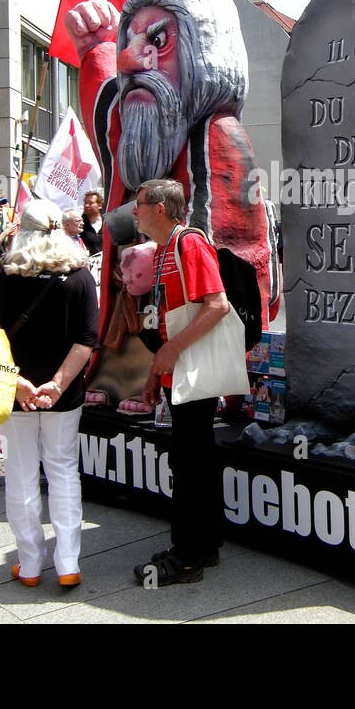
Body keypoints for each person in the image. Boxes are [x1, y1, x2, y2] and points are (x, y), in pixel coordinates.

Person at [66, 0, 279, 404]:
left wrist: (167, 253)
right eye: (130, 42)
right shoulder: (134, 124)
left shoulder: (216, 135)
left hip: (190, 320)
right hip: (137, 307)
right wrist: (96, 46)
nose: (130, 58)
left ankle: (188, 386)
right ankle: (125, 372)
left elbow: (238, 257)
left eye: (158, 42)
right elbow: (103, 110)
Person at [0, 200, 97, 587]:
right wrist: (57, 384)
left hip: (15, 391)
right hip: (64, 392)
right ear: (60, 228)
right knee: (63, 471)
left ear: (20, 230)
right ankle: (68, 563)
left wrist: (17, 381)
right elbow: (86, 341)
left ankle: (29, 564)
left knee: (21, 474)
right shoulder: (79, 274)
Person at [131, 179, 230, 586]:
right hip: (179, 372)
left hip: (193, 372)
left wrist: (171, 354)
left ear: (159, 207)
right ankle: (203, 546)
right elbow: (166, 320)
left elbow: (217, 305)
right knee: (194, 460)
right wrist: (157, 369)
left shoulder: (189, 243)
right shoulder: (164, 249)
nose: (133, 211)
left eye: (138, 204)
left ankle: (186, 558)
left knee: (188, 464)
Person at [81, 191, 104, 255]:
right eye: (85, 203)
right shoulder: (80, 224)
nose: (86, 205)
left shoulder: (107, 222)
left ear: (100, 205)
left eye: (91, 203)